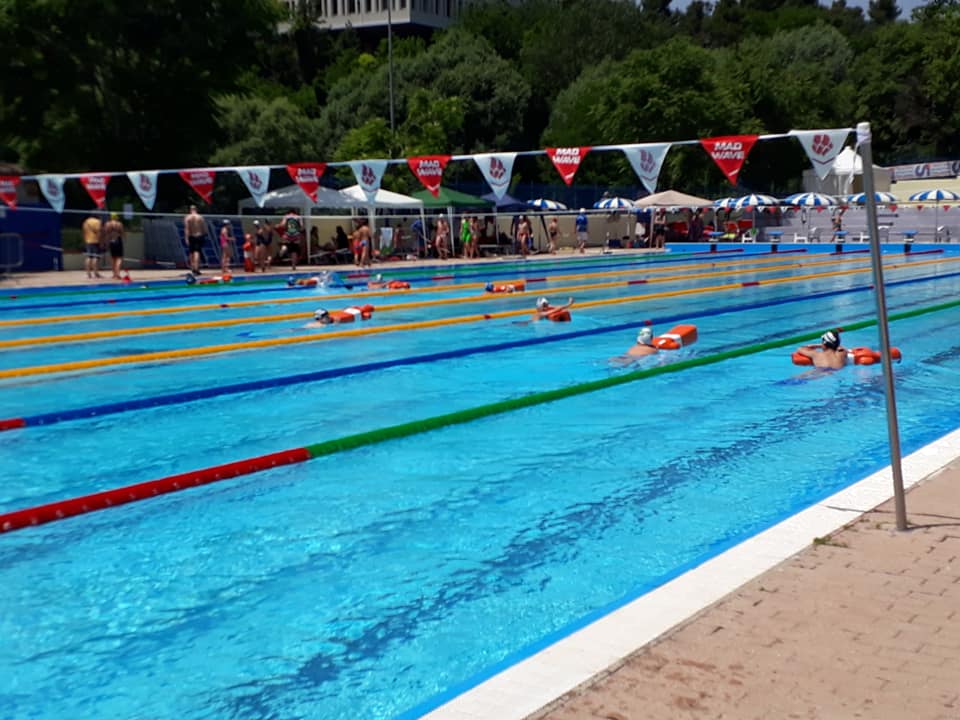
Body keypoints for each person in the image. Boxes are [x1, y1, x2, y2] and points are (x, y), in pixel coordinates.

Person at [183, 204, 206, 275]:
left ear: (190, 210)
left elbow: (186, 229)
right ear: (196, 209)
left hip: (191, 236)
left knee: (191, 252)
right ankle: (196, 268)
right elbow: (204, 228)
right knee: (197, 252)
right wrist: (204, 235)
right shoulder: (200, 217)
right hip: (199, 235)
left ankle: (193, 268)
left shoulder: (187, 218)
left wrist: (186, 238)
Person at [103, 212, 125, 279]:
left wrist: (105, 243)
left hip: (111, 241)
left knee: (113, 258)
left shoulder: (107, 224)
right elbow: (122, 233)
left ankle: (114, 274)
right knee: (119, 258)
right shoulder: (119, 224)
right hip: (118, 241)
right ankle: (118, 274)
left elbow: (105, 234)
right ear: (116, 217)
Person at [82, 213, 103, 279]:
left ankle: (88, 273)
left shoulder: (85, 222)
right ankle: (96, 273)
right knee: (96, 257)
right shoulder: (98, 222)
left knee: (88, 257)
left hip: (88, 240)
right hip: (95, 241)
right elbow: (99, 232)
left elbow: (84, 232)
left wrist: (85, 239)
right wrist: (101, 241)